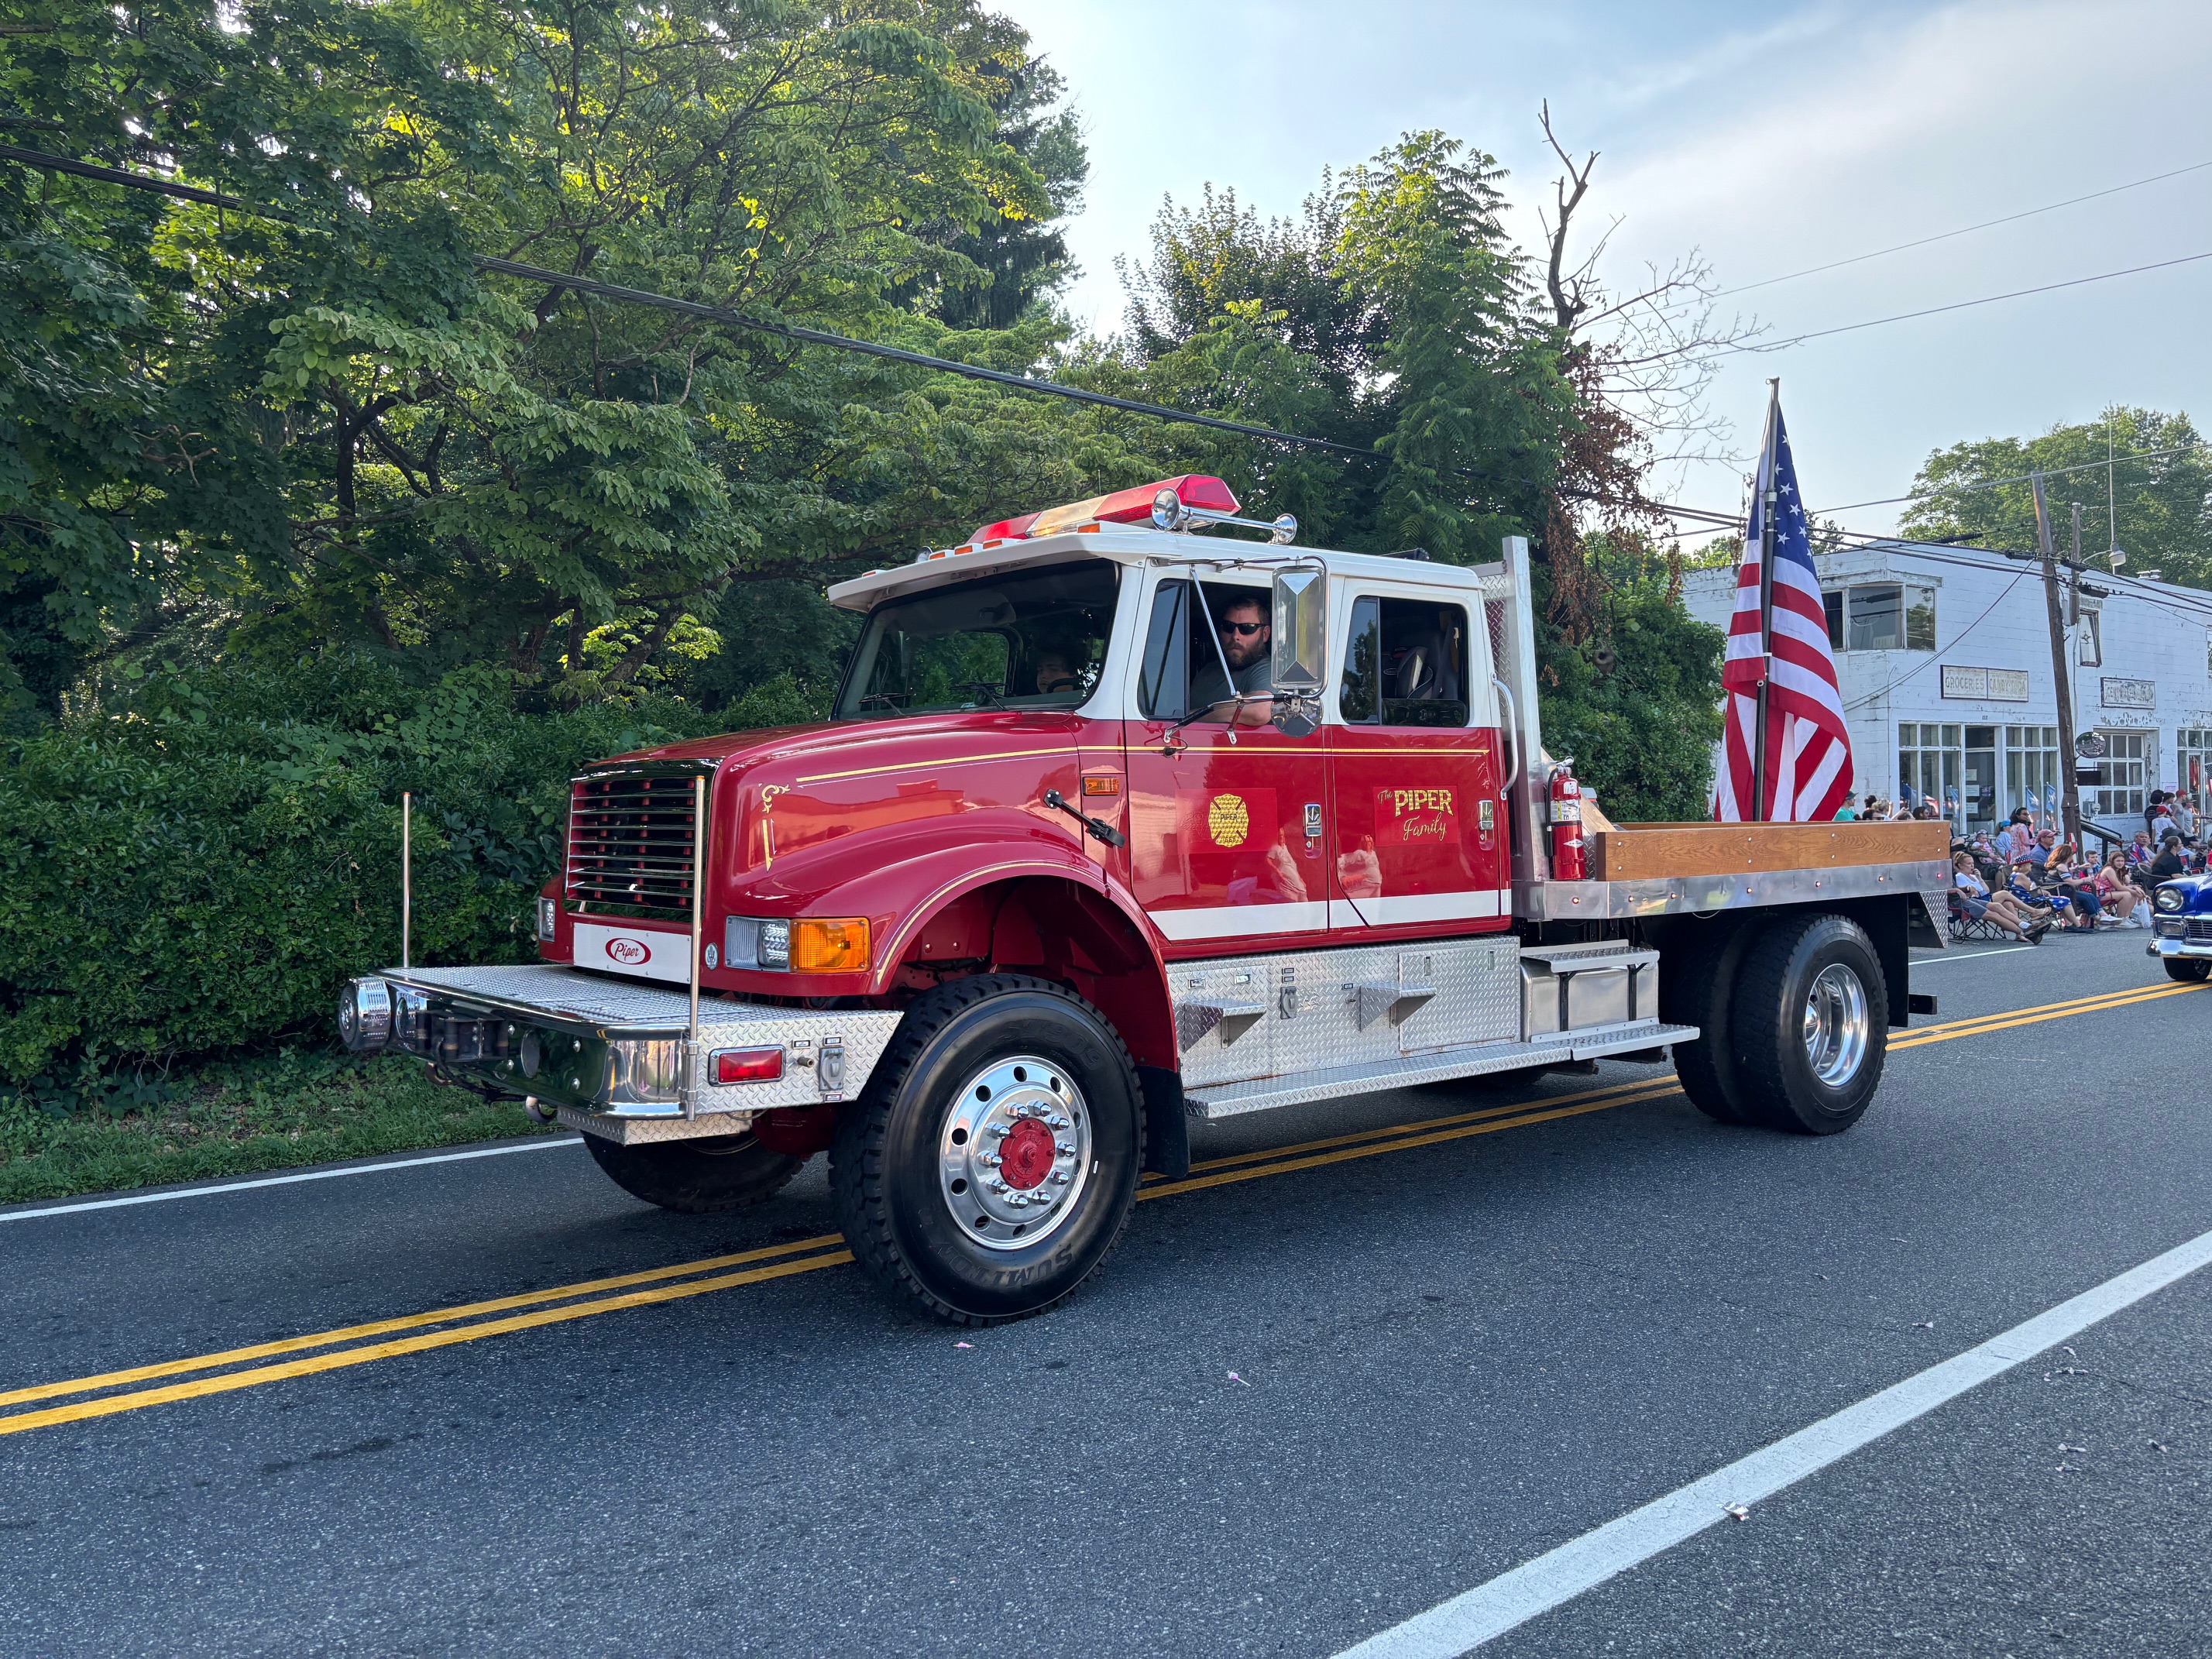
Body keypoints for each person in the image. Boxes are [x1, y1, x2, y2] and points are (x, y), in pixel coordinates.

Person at [1190, 590, 1273, 715]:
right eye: (1228, 626)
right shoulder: (1208, 670)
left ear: (1265, 634)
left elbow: (1260, 711)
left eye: (1247, 628)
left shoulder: (1268, 671)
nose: (1235, 636)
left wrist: (1189, 717)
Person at [1954, 851, 2042, 940]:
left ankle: (2020, 934)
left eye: (1973, 863)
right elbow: (1969, 892)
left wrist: (1980, 878)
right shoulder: (1960, 876)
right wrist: (1971, 889)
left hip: (1984, 897)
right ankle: (2033, 913)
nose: (1972, 866)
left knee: (2008, 904)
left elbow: (1986, 891)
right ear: (1960, 865)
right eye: (1969, 864)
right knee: (2004, 893)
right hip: (1978, 900)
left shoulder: (1974, 876)